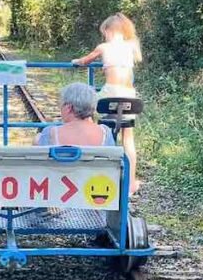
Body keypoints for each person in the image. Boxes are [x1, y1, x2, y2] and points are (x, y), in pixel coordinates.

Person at [72, 13, 141, 194]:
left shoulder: (103, 47)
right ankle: (131, 183)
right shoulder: (131, 47)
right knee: (128, 139)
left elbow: (84, 61)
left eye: (105, 32)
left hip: (110, 92)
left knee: (90, 117)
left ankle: (96, 170)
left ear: (110, 31)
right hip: (129, 95)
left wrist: (76, 62)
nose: (105, 36)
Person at [34, 83, 116, 147]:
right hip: (96, 169)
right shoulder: (106, 132)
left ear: (68, 108)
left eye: (61, 104)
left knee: (37, 139)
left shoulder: (50, 132)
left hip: (61, 169)